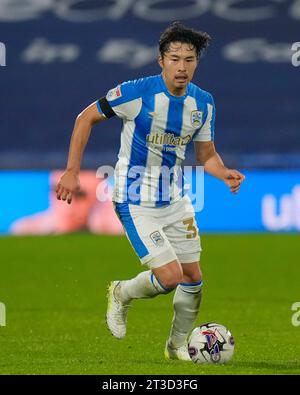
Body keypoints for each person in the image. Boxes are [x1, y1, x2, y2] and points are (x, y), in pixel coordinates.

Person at [56, 22, 245, 361]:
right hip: (134, 200)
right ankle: (121, 292)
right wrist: (72, 171)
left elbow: (206, 155)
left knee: (193, 278)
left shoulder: (203, 103)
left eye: (189, 59)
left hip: (175, 200)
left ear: (196, 62)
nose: (182, 66)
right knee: (170, 276)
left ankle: (177, 346)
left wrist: (224, 172)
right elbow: (85, 118)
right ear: (161, 60)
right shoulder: (136, 93)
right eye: (174, 58)